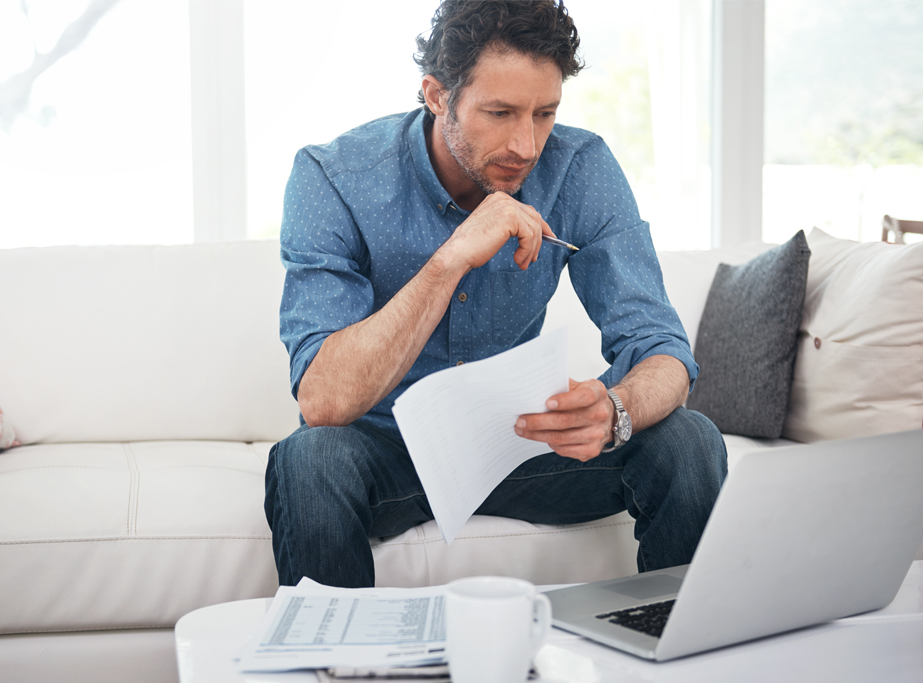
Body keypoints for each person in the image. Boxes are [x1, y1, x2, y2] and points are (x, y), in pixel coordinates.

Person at [265, 0, 727, 588]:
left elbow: (664, 351)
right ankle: (344, 669)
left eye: (544, 113)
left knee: (689, 438)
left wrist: (619, 408)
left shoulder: (579, 167)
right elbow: (322, 402)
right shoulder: (333, 177)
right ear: (436, 95)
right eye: (500, 112)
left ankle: (673, 654)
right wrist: (451, 257)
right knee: (309, 459)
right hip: (387, 453)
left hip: (519, 448)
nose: (527, 145)